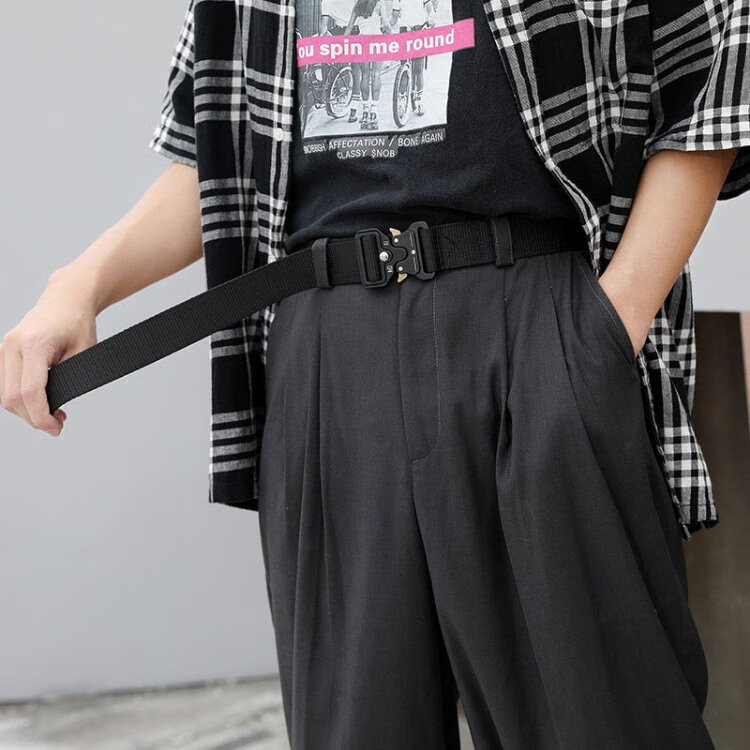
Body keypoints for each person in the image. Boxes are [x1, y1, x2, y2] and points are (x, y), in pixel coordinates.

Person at [2, 0, 748, 747]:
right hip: (329, 349)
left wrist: (612, 323)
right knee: (356, 727)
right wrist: (78, 285)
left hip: (537, 324)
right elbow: (215, 155)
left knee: (601, 718)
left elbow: (711, 75)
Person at [344, 0, 391, 129]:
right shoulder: (380, 3)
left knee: (364, 75)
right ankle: (374, 111)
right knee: (376, 75)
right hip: (377, 41)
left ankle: (365, 112)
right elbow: (386, 25)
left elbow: (349, 28)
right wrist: (390, 35)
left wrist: (341, 44)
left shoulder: (357, 4)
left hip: (362, 42)